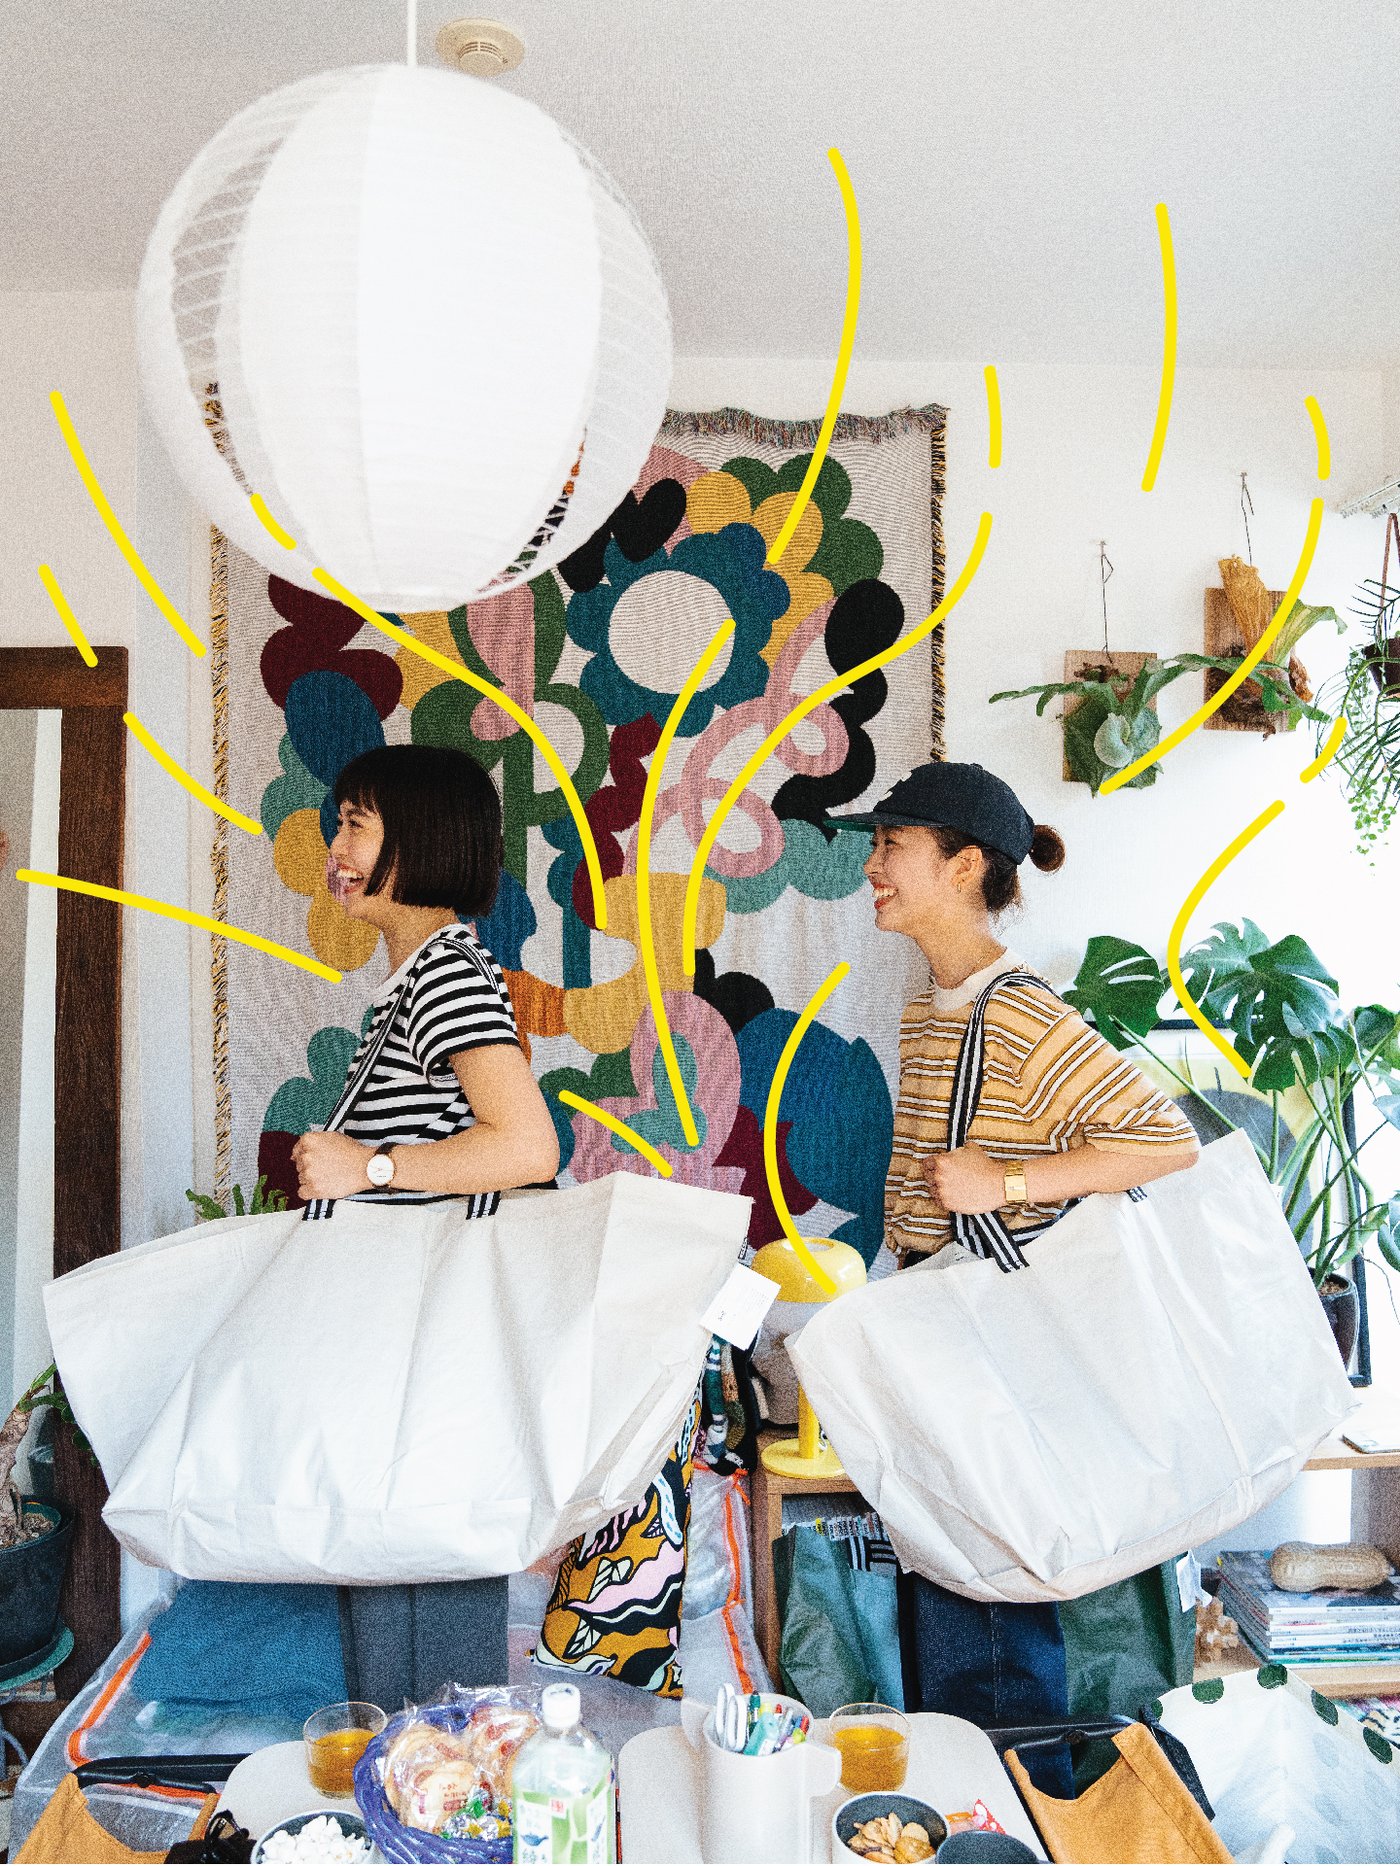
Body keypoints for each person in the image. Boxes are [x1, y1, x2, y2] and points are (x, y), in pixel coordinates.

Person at [831, 761, 1200, 1742]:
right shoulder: (931, 1004)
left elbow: (1166, 1142)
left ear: (959, 866)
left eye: (889, 847)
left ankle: (1009, 1813)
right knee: (954, 1593)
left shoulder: (1019, 1011)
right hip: (944, 1337)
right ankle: (976, 1808)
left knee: (987, 1614)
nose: (870, 867)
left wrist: (1004, 1185)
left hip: (994, 1352)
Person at [291, 743, 559, 1706]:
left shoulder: (447, 978)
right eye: (341, 821)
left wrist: (367, 1166)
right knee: (395, 1552)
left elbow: (528, 1148)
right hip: (407, 1333)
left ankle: (439, 1820)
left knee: (425, 1559)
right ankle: (416, 1801)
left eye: (359, 822)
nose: (337, 844)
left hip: (434, 1338)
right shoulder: (414, 982)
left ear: (427, 839)